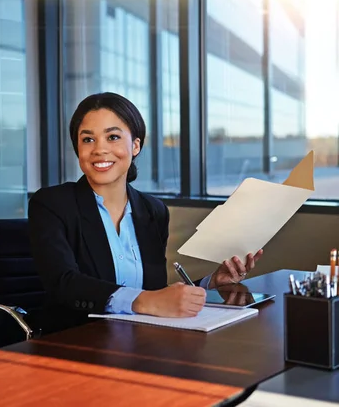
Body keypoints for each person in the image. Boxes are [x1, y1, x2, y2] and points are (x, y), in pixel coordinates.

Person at [28, 92, 262, 329]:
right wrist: (148, 300)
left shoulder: (153, 211)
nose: (100, 149)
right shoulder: (51, 204)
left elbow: (155, 294)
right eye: (88, 139)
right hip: (75, 340)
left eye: (113, 137)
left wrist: (212, 283)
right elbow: (64, 284)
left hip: (141, 340)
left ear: (136, 145)